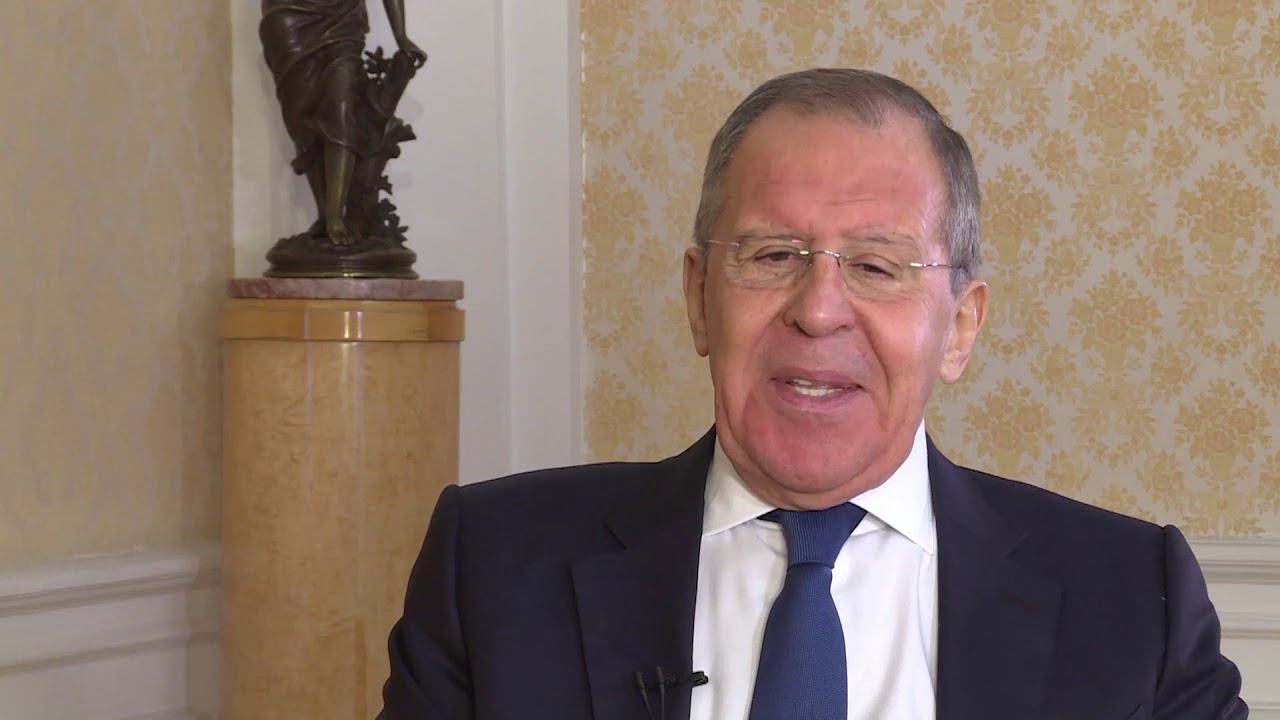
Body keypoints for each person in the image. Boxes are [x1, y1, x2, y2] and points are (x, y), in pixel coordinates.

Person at [378, 69, 1246, 719]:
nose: (819, 310)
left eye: (876, 266)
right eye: (772, 255)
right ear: (698, 298)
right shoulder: (493, 567)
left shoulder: (1130, 600)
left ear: (959, 328)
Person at [260, 0, 426, 246]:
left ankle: (335, 215)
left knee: (342, 108)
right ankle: (324, 215)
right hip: (288, 17)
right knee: (302, 119)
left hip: (344, 16)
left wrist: (401, 36)